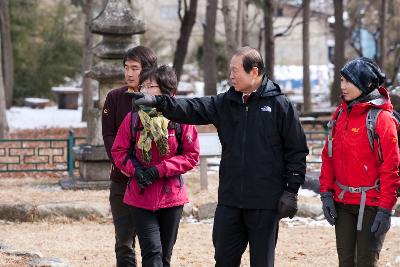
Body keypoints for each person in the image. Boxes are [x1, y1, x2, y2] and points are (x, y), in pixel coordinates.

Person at [131, 46, 309, 267]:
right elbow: (193, 107)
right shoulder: (226, 103)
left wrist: (291, 191)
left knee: (262, 262)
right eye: (230, 70)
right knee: (223, 259)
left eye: (235, 70)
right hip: (230, 200)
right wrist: (158, 102)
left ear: (254, 71)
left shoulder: (280, 105)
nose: (231, 75)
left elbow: (297, 150)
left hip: (265, 202)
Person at [111, 65, 200, 267]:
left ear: (167, 91)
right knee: (152, 253)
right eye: (143, 86)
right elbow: (119, 151)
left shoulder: (180, 119)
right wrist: (137, 170)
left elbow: (191, 155)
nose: (144, 90)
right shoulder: (133, 118)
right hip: (140, 196)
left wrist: (159, 170)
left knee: (165, 257)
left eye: (151, 86)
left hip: (171, 198)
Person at [319, 57, 400, 266]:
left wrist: (385, 209)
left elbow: (391, 169)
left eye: (349, 81)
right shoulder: (339, 115)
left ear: (364, 83)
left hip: (372, 205)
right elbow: (328, 157)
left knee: (365, 262)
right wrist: (326, 194)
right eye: (341, 80)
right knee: (345, 261)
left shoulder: (382, 120)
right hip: (342, 203)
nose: (343, 86)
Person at [102, 46, 157, 267]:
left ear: (148, 69)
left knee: (152, 244)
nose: (129, 73)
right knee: (124, 241)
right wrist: (121, 164)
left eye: (135, 68)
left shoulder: (158, 99)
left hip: (151, 181)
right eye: (126, 67)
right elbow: (108, 134)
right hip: (122, 179)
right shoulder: (115, 97)